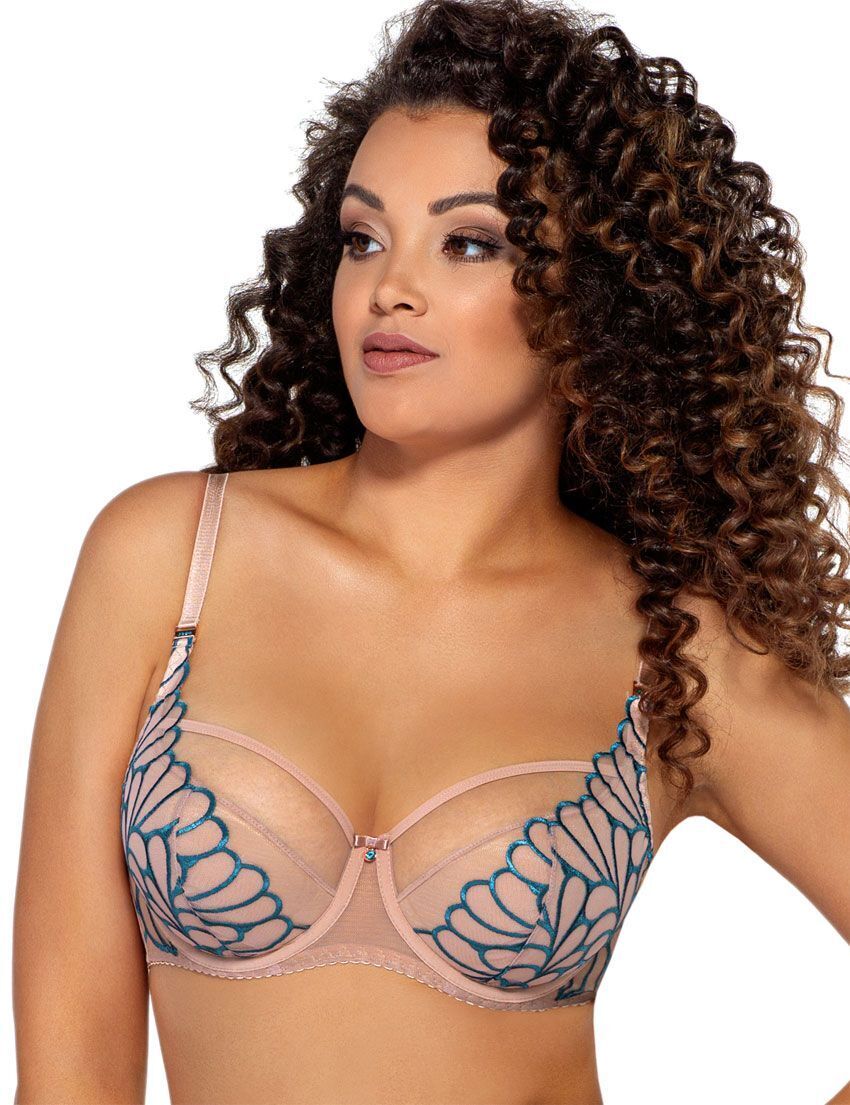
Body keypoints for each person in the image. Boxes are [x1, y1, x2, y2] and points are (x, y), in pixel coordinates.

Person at [13, 0, 850, 1102]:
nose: (389, 287)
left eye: (468, 242)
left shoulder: (673, 650)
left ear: (596, 296)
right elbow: (70, 1058)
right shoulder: (168, 556)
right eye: (364, 238)